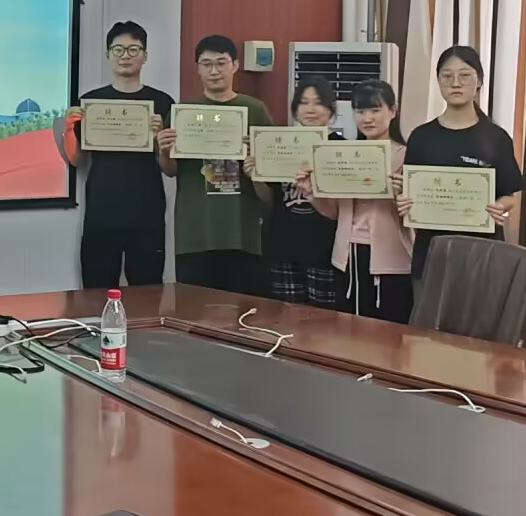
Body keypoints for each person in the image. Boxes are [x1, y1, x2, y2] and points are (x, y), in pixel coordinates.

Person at [57, 21, 172, 289]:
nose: (125, 56)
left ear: (145, 56)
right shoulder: (90, 102)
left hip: (147, 214)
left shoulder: (163, 102)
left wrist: (160, 139)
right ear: (108, 54)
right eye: (118, 49)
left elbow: (169, 168)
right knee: (95, 292)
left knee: (148, 293)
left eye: (133, 49)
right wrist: (69, 131)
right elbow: (78, 160)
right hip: (102, 212)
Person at [397, 46, 524, 286]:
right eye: (447, 76)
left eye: (464, 75)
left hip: (482, 256)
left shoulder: (496, 138)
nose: (455, 83)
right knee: (427, 312)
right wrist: (403, 201)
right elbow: (410, 190)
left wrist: (499, 207)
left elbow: (509, 196)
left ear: (479, 81)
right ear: (438, 81)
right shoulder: (421, 137)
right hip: (431, 256)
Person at [156, 35, 273, 295]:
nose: (214, 71)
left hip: (242, 233)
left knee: (245, 311)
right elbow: (171, 170)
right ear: (197, 68)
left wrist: (257, 160)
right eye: (206, 64)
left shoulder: (254, 109)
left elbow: (270, 175)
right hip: (195, 233)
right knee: (192, 310)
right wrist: (164, 151)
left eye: (221, 63)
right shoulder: (183, 112)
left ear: (235, 65)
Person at [302, 79, 413, 323]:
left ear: (393, 111)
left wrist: (401, 196)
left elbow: (415, 214)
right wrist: (311, 190)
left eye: (375, 110)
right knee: (349, 328)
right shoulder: (345, 154)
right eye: (360, 111)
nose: (367, 118)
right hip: (347, 253)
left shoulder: (406, 156)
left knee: (389, 329)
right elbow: (334, 211)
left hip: (391, 258)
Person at [245, 77, 342, 308]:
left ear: (331, 110)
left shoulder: (341, 147)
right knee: (286, 317)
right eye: (304, 102)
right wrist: (255, 176)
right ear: (295, 109)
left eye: (318, 103)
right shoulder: (281, 145)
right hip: (283, 247)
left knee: (325, 319)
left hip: (325, 251)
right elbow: (269, 200)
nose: (310, 109)